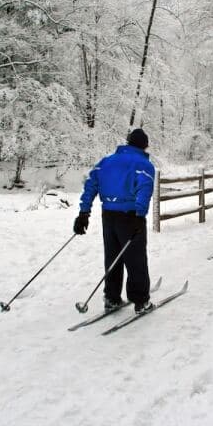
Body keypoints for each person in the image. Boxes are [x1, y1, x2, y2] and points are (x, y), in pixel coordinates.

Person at [73, 128, 156, 314]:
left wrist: (83, 213)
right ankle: (141, 301)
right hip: (130, 215)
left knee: (113, 256)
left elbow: (91, 185)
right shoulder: (143, 164)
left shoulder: (105, 162)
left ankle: (112, 297)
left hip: (108, 216)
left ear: (127, 142)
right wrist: (140, 214)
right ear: (144, 145)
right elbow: (144, 189)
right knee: (135, 259)